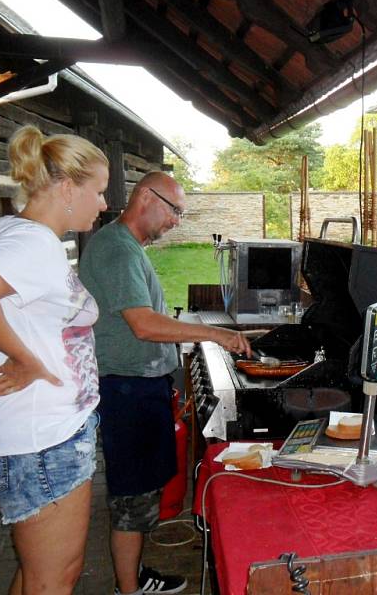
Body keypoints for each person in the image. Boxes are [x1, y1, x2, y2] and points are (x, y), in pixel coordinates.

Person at [0, 125, 109, 594]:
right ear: (67, 186)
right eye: (97, 191)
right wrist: (27, 358)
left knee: (42, 575)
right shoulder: (33, 242)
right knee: (53, 580)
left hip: (43, 437)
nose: (103, 203)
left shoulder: (27, 236)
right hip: (41, 441)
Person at [79, 171, 251, 595]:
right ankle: (128, 589)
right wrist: (216, 334)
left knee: (140, 494)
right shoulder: (117, 250)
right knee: (132, 498)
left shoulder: (127, 247)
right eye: (175, 211)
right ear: (146, 197)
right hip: (127, 390)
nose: (176, 221)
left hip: (140, 387)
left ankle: (135, 575)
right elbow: (142, 324)